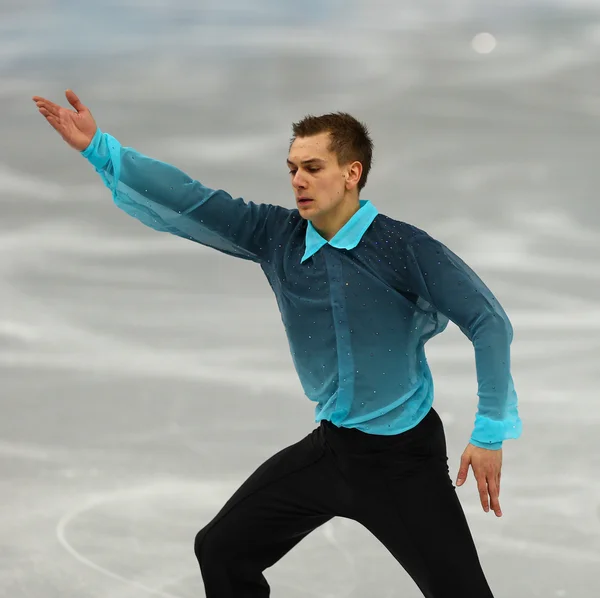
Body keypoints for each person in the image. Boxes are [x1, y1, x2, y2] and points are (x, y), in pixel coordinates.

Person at [33, 89, 522, 598]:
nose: (298, 181)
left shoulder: (403, 248)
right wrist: (100, 149)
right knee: (221, 548)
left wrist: (489, 432)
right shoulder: (276, 235)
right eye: (292, 168)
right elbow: (191, 198)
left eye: (312, 167)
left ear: (352, 173)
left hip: (404, 461)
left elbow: (488, 321)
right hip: (334, 452)